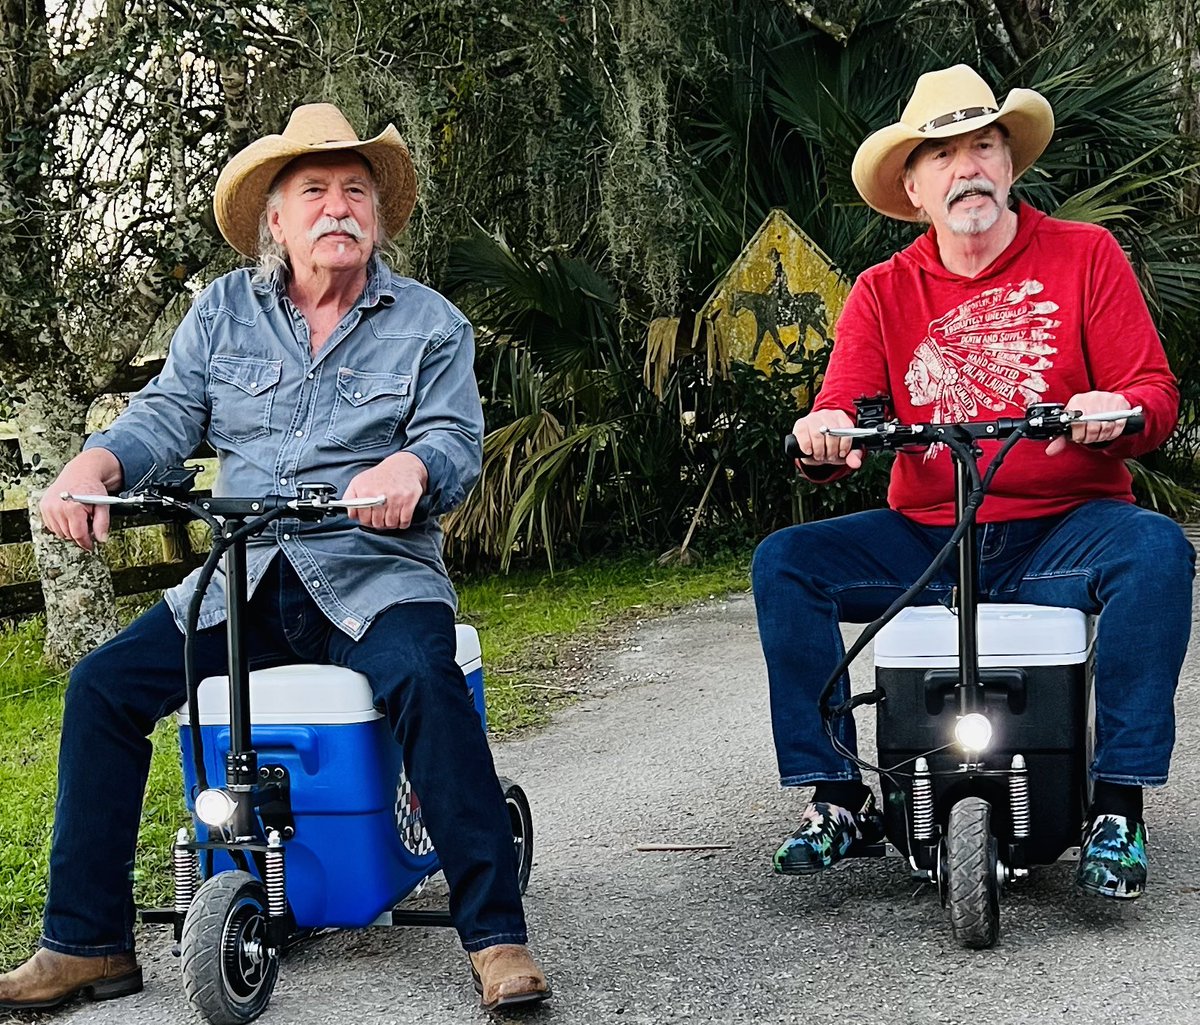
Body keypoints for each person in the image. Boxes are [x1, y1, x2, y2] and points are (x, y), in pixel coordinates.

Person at [0, 104, 550, 1012]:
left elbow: (454, 438)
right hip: (242, 577)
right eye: (315, 191)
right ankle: (86, 942)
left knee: (422, 673)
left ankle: (495, 935)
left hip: (374, 573)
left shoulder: (430, 323)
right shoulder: (223, 310)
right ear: (277, 220)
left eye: (355, 191)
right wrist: (95, 462)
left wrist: (412, 464)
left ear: (376, 214)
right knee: (101, 685)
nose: (338, 207)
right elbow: (169, 415)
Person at [751, 65, 1194, 900]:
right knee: (786, 562)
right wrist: (824, 435)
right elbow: (839, 407)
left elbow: (1155, 395)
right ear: (913, 186)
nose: (969, 168)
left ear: (1010, 162)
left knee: (1157, 551)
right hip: (928, 532)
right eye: (944, 154)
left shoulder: (1085, 256)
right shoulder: (883, 291)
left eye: (984, 145)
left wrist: (1118, 406)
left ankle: (1118, 804)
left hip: (1065, 527)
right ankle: (840, 796)